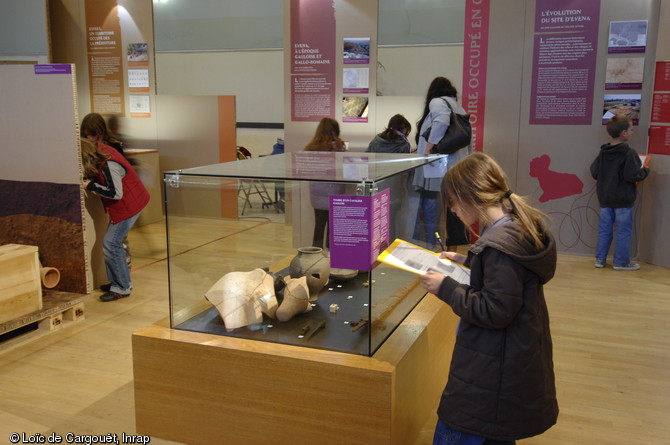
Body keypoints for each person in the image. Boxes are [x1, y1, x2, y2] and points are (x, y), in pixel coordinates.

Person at [420, 152, 558, 445]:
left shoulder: (498, 245)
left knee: (459, 429)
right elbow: (504, 280)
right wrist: (468, 261)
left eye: (453, 203)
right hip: (509, 361)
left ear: (467, 195)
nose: (453, 211)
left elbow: (495, 309)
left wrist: (444, 286)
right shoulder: (512, 227)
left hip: (492, 369)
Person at [80, 138, 150, 302]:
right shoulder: (103, 153)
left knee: (111, 243)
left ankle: (121, 287)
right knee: (112, 243)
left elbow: (115, 193)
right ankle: (118, 283)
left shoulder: (109, 165)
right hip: (131, 203)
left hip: (129, 206)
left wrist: (91, 186)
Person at [413, 76, 470, 250]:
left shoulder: (437, 102)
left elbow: (441, 121)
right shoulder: (457, 107)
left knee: (436, 206)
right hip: (455, 166)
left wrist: (429, 148)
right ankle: (452, 249)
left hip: (440, 166)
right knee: (454, 209)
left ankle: (434, 246)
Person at [590, 115, 650, 270]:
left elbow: (594, 172)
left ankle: (600, 260)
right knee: (623, 231)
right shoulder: (629, 153)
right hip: (623, 200)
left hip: (605, 199)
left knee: (604, 230)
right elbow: (632, 175)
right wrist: (645, 171)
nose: (632, 132)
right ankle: (620, 262)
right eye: (631, 130)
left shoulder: (603, 152)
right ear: (623, 133)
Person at [304, 118, 346, 249]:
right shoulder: (339, 147)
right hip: (334, 190)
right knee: (333, 225)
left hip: (317, 190)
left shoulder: (311, 147)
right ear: (336, 130)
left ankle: (315, 251)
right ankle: (331, 251)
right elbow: (344, 169)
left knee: (319, 224)